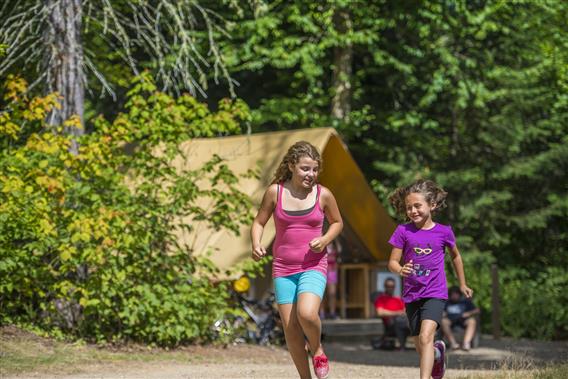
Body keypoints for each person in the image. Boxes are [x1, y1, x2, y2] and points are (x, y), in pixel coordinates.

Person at [251, 141, 343, 379]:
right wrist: (256, 243)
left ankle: (318, 348)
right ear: (292, 166)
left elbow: (337, 223)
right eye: (305, 168)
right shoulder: (275, 192)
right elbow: (259, 221)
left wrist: (324, 240)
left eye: (314, 169)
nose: (310, 174)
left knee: (307, 313)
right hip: (283, 268)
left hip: (313, 265)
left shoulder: (323, 194)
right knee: (291, 331)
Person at [387, 179, 473, 379]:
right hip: (412, 294)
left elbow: (456, 256)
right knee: (420, 344)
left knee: (427, 336)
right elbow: (392, 262)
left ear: (432, 205)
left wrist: (462, 283)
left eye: (418, 205)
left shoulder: (444, 232)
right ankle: (437, 354)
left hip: (435, 292)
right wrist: (400, 270)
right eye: (409, 207)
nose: (413, 211)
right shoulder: (403, 231)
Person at [374, 277, 409, 350]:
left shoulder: (398, 299)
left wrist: (401, 313)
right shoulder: (380, 299)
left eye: (392, 286)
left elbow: (405, 311)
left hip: (403, 321)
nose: (390, 288)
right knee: (399, 320)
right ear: (385, 286)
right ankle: (402, 346)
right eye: (388, 286)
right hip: (390, 325)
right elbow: (380, 313)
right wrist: (398, 313)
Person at [442, 286, 479, 351]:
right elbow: (443, 312)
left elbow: (477, 310)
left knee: (472, 321)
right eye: (452, 294)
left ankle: (466, 343)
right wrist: (443, 313)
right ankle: (453, 343)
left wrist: (468, 313)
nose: (454, 296)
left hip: (463, 320)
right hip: (450, 320)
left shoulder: (465, 302)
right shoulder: (447, 302)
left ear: (459, 294)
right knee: (443, 321)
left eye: (456, 294)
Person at [323, 239, 341, 319]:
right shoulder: (322, 245)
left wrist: (336, 239)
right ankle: (321, 313)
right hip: (323, 270)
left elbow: (340, 250)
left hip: (332, 271)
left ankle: (332, 312)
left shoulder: (335, 246)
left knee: (332, 293)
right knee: (322, 293)